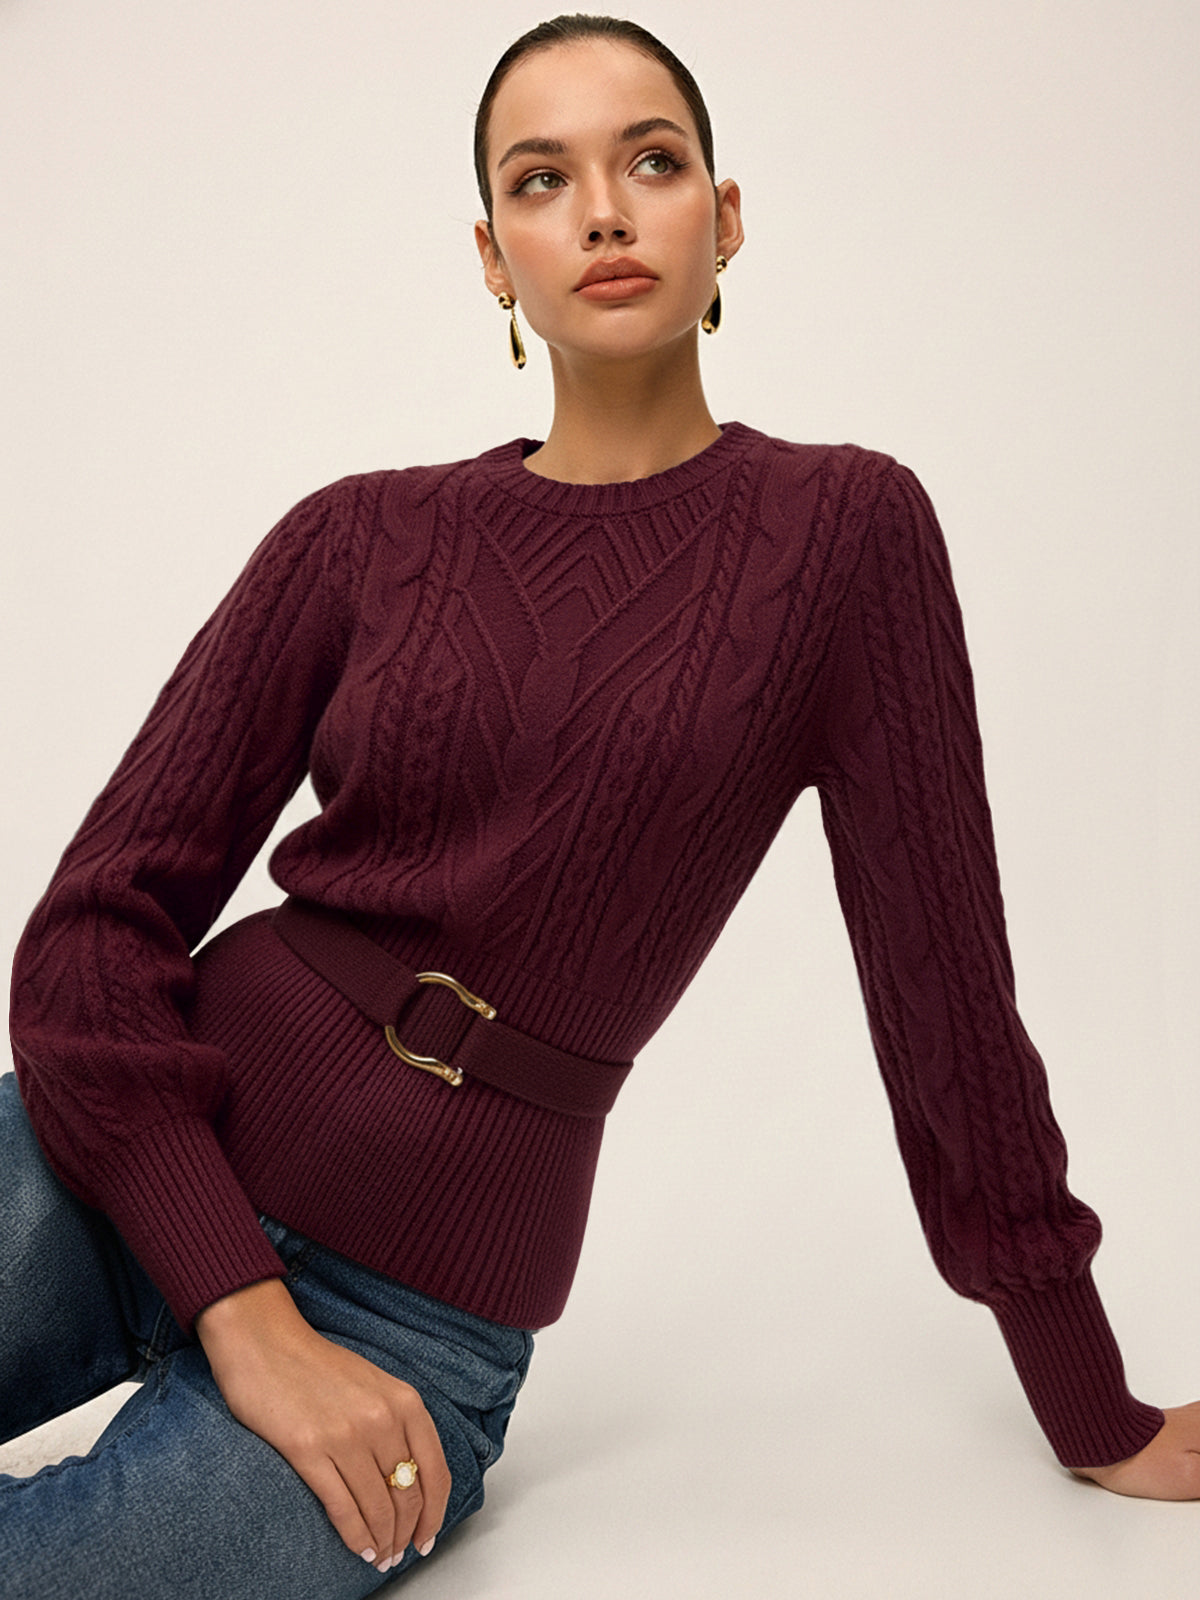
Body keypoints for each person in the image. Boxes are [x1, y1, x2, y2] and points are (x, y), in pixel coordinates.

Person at [3, 12, 1198, 1598]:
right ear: (493, 256)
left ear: (727, 216)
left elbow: (947, 996)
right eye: (542, 179)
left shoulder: (845, 534)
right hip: (123, 1159)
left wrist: (1090, 1399)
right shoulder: (356, 537)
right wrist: (237, 1306)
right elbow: (95, 932)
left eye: (653, 160)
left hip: (409, 1316)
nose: (606, 212)